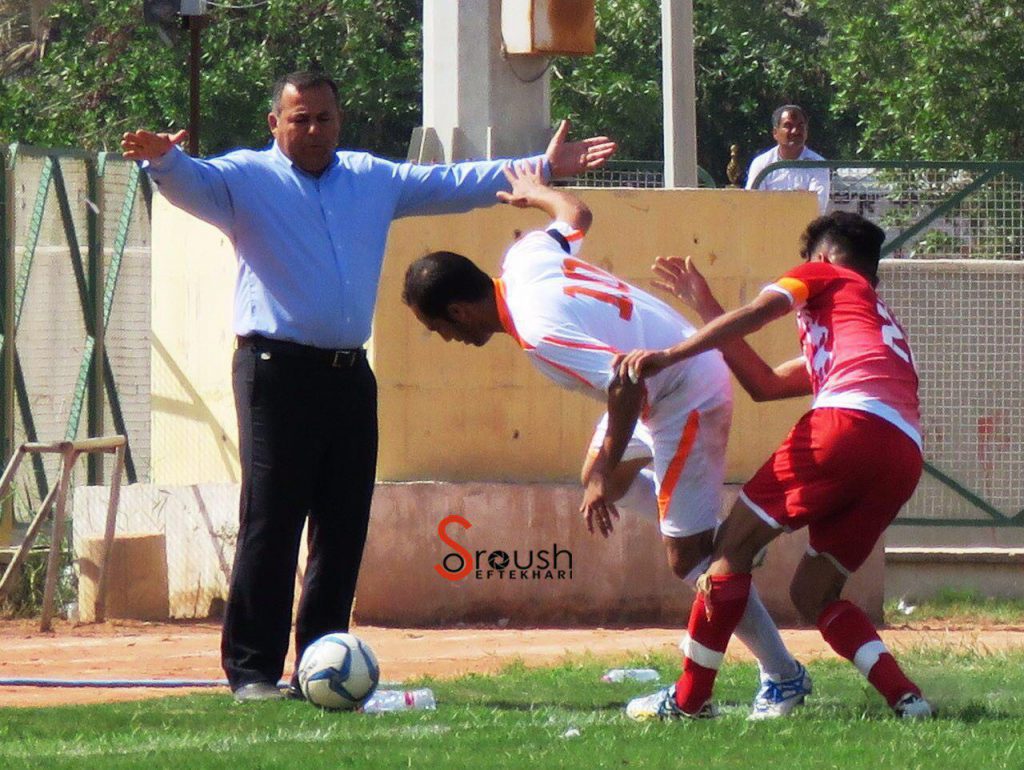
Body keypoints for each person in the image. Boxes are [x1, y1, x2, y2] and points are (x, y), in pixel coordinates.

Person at [121, 71, 618, 703]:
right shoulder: (245, 178)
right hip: (274, 371)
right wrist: (166, 160)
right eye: (299, 119)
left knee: (344, 522)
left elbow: (452, 182)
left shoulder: (370, 178)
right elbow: (193, 183)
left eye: (324, 118)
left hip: (349, 376)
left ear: (339, 120)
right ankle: (252, 672)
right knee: (272, 521)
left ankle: (321, 664)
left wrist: (540, 167)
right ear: (274, 123)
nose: (313, 130)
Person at [402, 161, 811, 719]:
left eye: (439, 328)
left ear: (456, 309)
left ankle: (781, 673)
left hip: (687, 392)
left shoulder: (540, 332)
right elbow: (577, 214)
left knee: (684, 556)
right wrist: (538, 192)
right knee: (611, 480)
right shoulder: (522, 260)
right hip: (662, 381)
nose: (448, 339)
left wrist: (600, 475)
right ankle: (711, 539)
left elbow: (626, 383)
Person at [619, 211, 932, 720]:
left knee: (729, 548)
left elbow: (762, 312)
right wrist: (705, 304)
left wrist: (672, 353)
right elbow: (763, 385)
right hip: (901, 455)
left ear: (822, 258)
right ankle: (906, 696)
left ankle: (688, 700)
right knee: (814, 592)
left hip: (846, 427)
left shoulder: (824, 273)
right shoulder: (869, 322)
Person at [745, 105, 830, 214]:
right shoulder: (761, 163)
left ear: (806, 132)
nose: (795, 131)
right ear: (775, 133)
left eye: (800, 126)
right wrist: (798, 198)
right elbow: (753, 203)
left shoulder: (818, 164)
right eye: (788, 126)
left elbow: (817, 206)